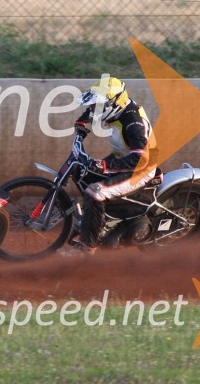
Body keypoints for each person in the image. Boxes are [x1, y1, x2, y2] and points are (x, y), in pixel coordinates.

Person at [66, 76, 158, 254]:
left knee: (96, 191)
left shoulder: (134, 123)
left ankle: (87, 247)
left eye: (99, 105)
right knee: (82, 172)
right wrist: (81, 124)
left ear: (113, 103)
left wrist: (105, 165)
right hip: (123, 160)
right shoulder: (116, 108)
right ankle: (96, 222)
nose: (95, 109)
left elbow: (140, 160)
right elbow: (91, 112)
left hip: (140, 168)